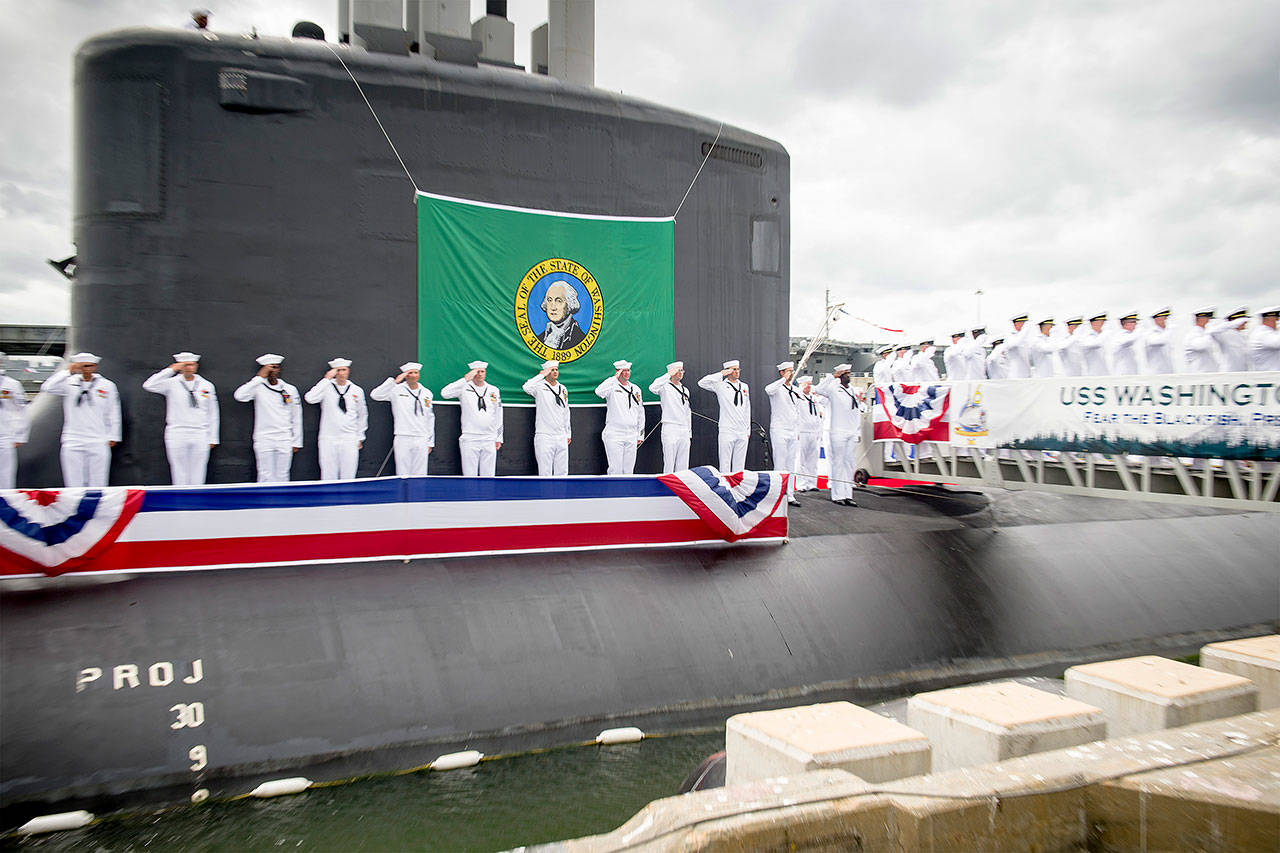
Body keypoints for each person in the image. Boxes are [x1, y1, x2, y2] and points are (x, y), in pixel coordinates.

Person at [41, 353, 121, 487]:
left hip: (98, 437)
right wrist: (68, 371)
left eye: (88, 366)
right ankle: (75, 506)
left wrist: (113, 435)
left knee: (98, 480)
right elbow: (48, 387)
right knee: (73, 480)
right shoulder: (68, 383)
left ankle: (95, 506)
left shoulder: (107, 385)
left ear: (95, 367)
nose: (85, 369)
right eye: (82, 366)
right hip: (73, 438)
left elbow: (113, 411)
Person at [141, 351, 219, 485]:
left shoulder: (206, 385)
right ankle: (181, 500)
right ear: (180, 367)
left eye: (192, 365)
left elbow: (213, 413)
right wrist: (170, 370)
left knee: (198, 470)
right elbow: (148, 385)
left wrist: (213, 437)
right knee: (178, 470)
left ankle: (196, 500)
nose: (189, 368)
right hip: (177, 431)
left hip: (200, 432)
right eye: (186, 365)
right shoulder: (170, 383)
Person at [233, 354, 303, 482]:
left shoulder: (289, 389)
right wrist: (259, 377)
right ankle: (265, 502)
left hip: (284, 438)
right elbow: (239, 396)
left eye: (275, 368)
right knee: (265, 474)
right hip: (264, 437)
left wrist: (296, 441)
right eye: (269, 368)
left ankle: (281, 501)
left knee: (283, 475)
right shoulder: (258, 388)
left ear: (279, 369)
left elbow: (296, 416)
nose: (272, 371)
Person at [305, 358, 367, 480]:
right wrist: (326, 379)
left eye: (344, 370)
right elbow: (310, 398)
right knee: (328, 474)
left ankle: (348, 499)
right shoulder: (326, 387)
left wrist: (360, 436)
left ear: (348, 371)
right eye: (338, 370)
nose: (341, 373)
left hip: (349, 437)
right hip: (328, 437)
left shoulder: (357, 390)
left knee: (349, 474)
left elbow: (362, 415)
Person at [370, 361, 435, 475]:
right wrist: (394, 382)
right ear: (405, 375)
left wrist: (430, 441)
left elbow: (430, 418)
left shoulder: (426, 393)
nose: (414, 375)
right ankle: (403, 493)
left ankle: (417, 493)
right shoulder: (396, 390)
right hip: (403, 435)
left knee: (420, 472)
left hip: (422, 436)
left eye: (416, 373)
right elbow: (375, 395)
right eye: (410, 373)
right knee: (402, 471)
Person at [814, 364, 864, 507]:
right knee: (838, 464)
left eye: (849, 373)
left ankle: (848, 494)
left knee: (849, 464)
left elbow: (856, 413)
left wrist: (858, 431)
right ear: (840, 375)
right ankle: (837, 495)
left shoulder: (853, 391)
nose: (849, 375)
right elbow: (818, 389)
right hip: (838, 432)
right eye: (846, 373)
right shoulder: (833, 389)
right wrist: (832, 376)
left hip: (851, 431)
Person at [442, 361, 503, 476]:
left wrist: (499, 437)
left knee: (489, 476)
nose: (480, 374)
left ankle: (487, 494)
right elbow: (445, 393)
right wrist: (464, 379)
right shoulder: (464, 387)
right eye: (477, 372)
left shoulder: (493, 390)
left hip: (489, 438)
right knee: (470, 475)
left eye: (482, 371)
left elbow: (498, 414)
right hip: (470, 437)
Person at [698, 359, 751, 472]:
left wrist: (748, 430)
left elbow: (747, 408)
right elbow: (702, 382)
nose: (737, 372)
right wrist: (721, 374)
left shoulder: (744, 386)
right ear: (728, 371)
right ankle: (726, 487)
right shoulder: (720, 385)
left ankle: (737, 488)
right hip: (727, 429)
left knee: (740, 464)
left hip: (742, 429)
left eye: (738, 369)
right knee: (725, 463)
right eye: (734, 369)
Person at [522, 359, 571, 476]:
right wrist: (541, 375)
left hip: (561, 435)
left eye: (556, 370)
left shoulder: (563, 388)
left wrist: (568, 433)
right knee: (545, 472)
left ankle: (561, 494)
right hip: (545, 435)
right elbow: (526, 387)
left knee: (562, 472)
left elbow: (566, 411)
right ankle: (546, 494)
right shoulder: (539, 386)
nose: (555, 372)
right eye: (552, 370)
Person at [595, 360, 644, 474]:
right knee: (615, 469)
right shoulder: (611, 386)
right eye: (624, 371)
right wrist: (614, 378)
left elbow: (640, 412)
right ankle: (614, 492)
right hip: (615, 433)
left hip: (631, 434)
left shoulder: (635, 389)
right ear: (618, 372)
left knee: (628, 470)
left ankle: (627, 492)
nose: (627, 373)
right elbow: (598, 391)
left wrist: (640, 434)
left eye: (628, 370)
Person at [764, 361, 802, 505]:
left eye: (792, 371)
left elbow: (796, 411)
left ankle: (790, 494)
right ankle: (778, 495)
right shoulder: (777, 388)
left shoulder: (794, 389)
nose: (791, 373)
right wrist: (783, 379)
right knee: (780, 463)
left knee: (791, 463)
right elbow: (768, 389)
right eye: (788, 371)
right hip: (780, 430)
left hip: (792, 431)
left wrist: (797, 429)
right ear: (781, 372)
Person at [648, 361, 691, 473]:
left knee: (683, 462)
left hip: (684, 428)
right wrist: (668, 375)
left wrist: (689, 431)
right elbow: (652, 387)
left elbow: (687, 412)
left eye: (682, 370)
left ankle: (681, 486)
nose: (681, 373)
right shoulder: (664, 387)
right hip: (670, 427)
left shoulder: (685, 390)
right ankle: (668, 487)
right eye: (678, 370)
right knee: (669, 462)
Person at [0, 352, 30, 489]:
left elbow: (22, 410)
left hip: (4, 435)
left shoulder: (11, 385)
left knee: (5, 476)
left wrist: (20, 435)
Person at [794, 375, 824, 492]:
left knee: (812, 460)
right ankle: (801, 484)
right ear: (801, 385)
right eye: (807, 384)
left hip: (814, 431)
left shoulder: (814, 398)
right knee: (801, 459)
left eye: (810, 384)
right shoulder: (798, 398)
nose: (809, 386)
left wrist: (819, 431)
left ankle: (812, 483)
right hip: (803, 431)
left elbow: (818, 415)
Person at [539, 283, 587, 351]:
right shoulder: (540, 339)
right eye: (549, 300)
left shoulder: (581, 340)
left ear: (569, 304)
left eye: (559, 301)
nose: (553, 307)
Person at [1183, 308, 1221, 372]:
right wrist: (1210, 330)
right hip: (1200, 376)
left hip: (1210, 375)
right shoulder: (1192, 335)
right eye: (1209, 319)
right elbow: (1201, 345)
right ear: (1201, 319)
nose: (1211, 322)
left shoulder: (1205, 334)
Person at [1214, 307, 1250, 372]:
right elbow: (1212, 332)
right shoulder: (1225, 334)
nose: (1245, 323)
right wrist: (1231, 324)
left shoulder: (1242, 336)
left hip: (1242, 373)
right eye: (1243, 321)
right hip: (1229, 374)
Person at [1140, 308, 1174, 374]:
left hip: (1168, 372)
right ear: (1156, 319)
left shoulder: (1164, 333)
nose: (1166, 321)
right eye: (1164, 318)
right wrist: (1170, 330)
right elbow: (1159, 341)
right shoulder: (1150, 333)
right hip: (1156, 373)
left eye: (1166, 318)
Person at [1002, 314, 1034, 378]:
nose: (1025, 326)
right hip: (1015, 376)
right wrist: (1025, 330)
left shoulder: (1024, 339)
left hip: (1026, 376)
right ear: (1016, 324)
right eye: (1024, 324)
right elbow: (1015, 343)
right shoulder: (1010, 336)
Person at [1249, 306, 1280, 371]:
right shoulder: (1263, 334)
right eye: (1277, 319)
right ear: (1270, 319)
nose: (1277, 322)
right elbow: (1277, 343)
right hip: (1270, 378)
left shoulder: (1265, 333)